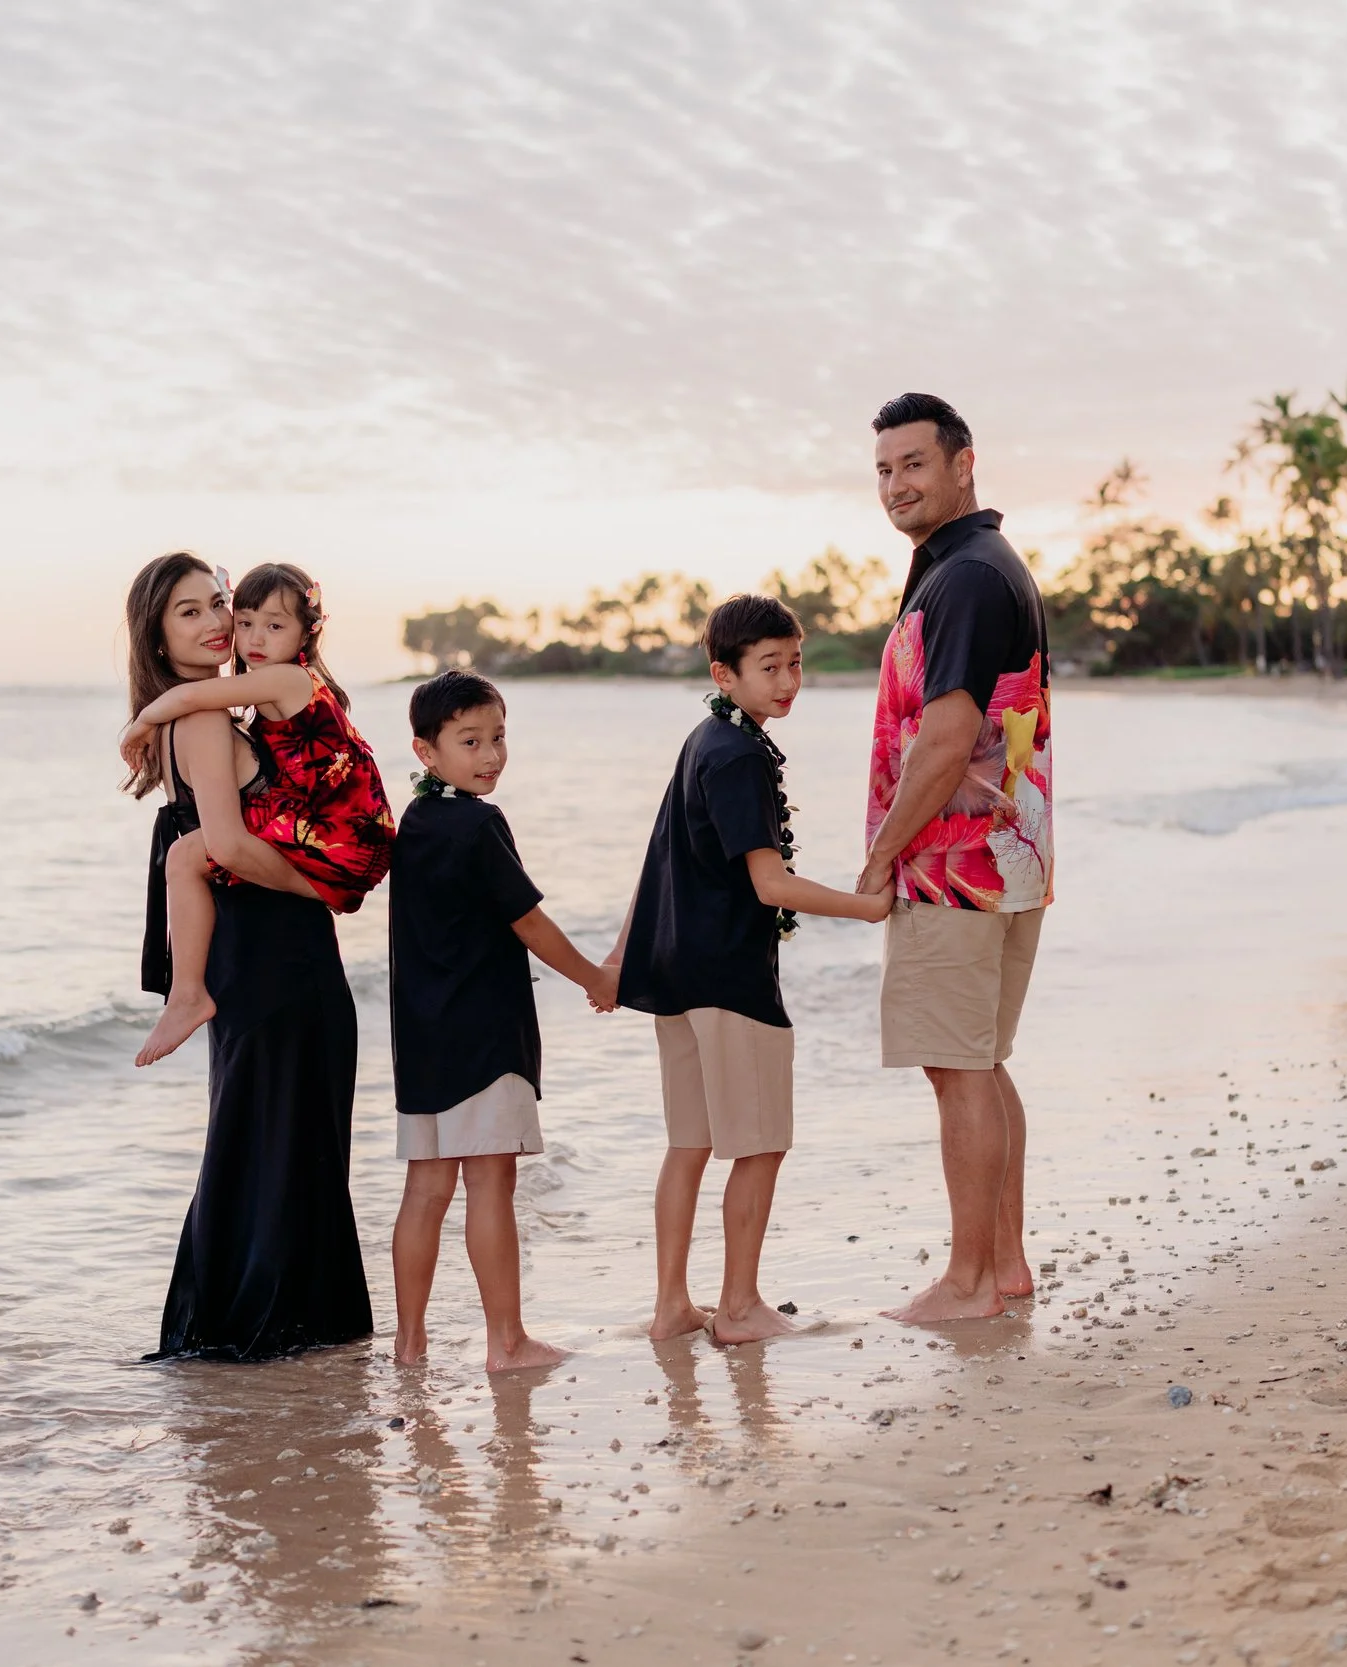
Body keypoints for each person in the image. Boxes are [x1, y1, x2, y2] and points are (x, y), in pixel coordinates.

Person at [608, 595, 891, 1345]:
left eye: (795, 662)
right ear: (723, 674)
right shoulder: (737, 755)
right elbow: (770, 885)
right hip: (729, 978)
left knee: (690, 1143)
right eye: (769, 667)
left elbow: (656, 851)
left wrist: (620, 954)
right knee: (761, 1142)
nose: (788, 680)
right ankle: (737, 1307)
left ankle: (674, 1305)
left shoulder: (706, 738)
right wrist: (868, 907)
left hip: (675, 973)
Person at [119, 552, 373, 1361]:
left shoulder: (229, 713)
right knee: (276, 1143)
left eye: (216, 603)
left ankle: (267, 1337)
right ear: (158, 639)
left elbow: (223, 846)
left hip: (264, 959)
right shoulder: (199, 719)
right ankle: (265, 1329)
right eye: (188, 613)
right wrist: (323, 886)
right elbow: (226, 842)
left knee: (268, 1140)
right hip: (274, 960)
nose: (216, 622)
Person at [853, 393, 1054, 1325]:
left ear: (963, 463)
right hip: (1004, 856)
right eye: (885, 469)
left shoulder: (967, 574)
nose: (897, 484)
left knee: (958, 1066)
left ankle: (970, 1281)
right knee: (980, 1060)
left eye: (915, 465)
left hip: (953, 868)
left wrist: (882, 855)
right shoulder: (971, 565)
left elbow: (946, 736)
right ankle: (1003, 1265)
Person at [386, 670, 621, 1372]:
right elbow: (530, 922)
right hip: (485, 1035)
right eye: (469, 741)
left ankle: (409, 1344)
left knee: (425, 1188)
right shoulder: (480, 823)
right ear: (427, 750)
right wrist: (596, 977)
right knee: (490, 1183)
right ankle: (506, 1342)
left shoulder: (416, 822)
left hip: (421, 1039)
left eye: (497, 737)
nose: (490, 754)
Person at [120, 562, 395, 1067]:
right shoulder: (230, 712)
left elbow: (194, 694)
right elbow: (228, 843)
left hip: (334, 830)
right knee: (185, 857)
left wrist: (140, 721)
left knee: (185, 857)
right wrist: (316, 887)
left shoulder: (284, 681)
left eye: (273, 625)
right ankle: (184, 994)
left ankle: (186, 993)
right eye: (244, 620)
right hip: (317, 851)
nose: (241, 634)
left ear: (305, 633)